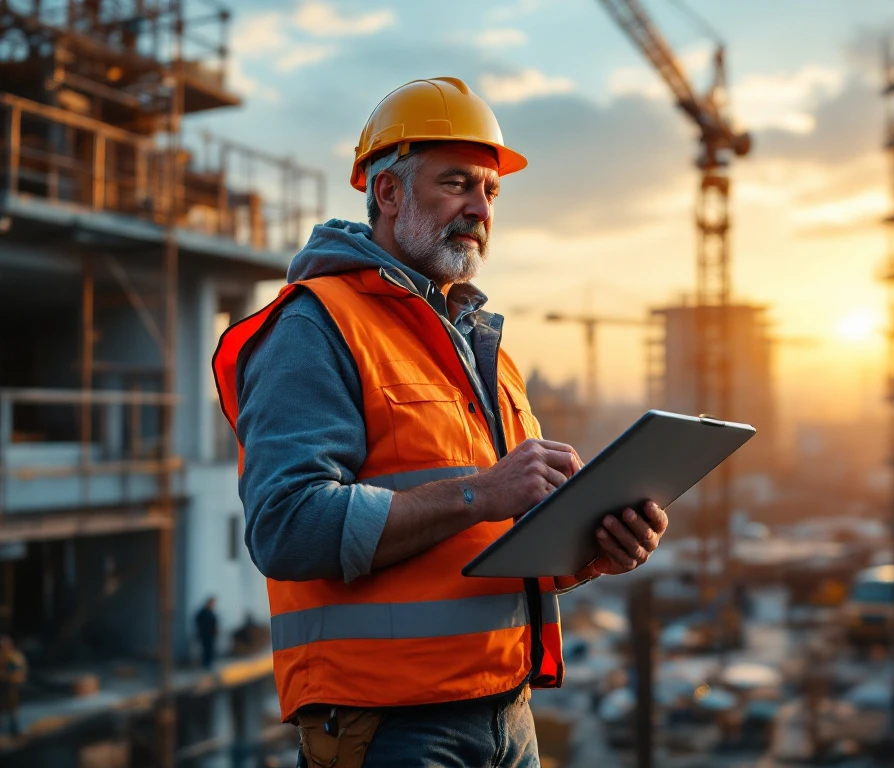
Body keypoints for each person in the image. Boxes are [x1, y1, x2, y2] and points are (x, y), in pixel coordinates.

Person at [213, 77, 670, 768]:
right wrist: (480, 493)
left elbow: (505, 535)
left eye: (490, 191)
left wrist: (594, 548)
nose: (478, 209)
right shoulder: (315, 326)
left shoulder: (484, 347)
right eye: (456, 183)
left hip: (506, 714)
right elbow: (286, 527)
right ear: (388, 194)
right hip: (388, 728)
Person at [0, 635, 26, 737]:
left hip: (11, 683)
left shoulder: (13, 657)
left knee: (12, 707)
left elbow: (11, 670)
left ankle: (14, 729)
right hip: (4, 683)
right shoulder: (4, 656)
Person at [194, 596, 218, 670]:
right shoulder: (203, 612)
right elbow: (198, 621)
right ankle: (206, 664)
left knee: (210, 650)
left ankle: (209, 664)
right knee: (206, 650)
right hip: (205, 635)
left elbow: (214, 623)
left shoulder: (210, 612)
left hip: (210, 635)